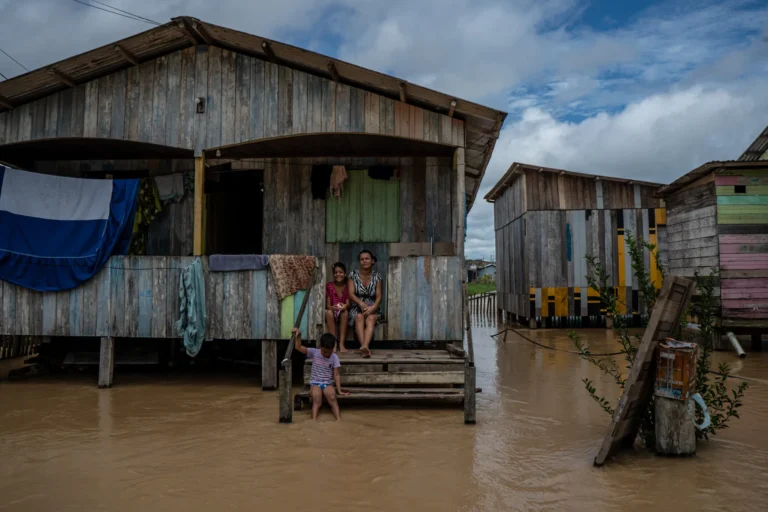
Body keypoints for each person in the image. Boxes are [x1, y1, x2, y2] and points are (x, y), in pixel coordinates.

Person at [293, 328, 349, 420]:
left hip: (328, 383)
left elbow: (336, 375)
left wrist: (339, 390)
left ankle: (339, 420)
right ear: (320, 346)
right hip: (315, 383)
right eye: (324, 352)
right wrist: (298, 336)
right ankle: (313, 420)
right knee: (317, 399)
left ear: (333, 348)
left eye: (329, 352)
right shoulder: (314, 352)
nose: (327, 354)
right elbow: (298, 347)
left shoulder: (334, 357)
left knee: (332, 398)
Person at [348, 249, 383, 358]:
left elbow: (379, 296)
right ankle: (365, 348)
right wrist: (361, 303)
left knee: (371, 318)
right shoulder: (353, 275)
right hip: (356, 306)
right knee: (359, 317)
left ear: (372, 261)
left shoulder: (377, 276)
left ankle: (364, 346)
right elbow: (351, 294)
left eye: (367, 258)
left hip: (373, 307)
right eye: (362, 259)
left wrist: (373, 308)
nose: (364, 261)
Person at [325, 262, 350, 352]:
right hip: (332, 311)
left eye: (340, 272)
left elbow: (348, 304)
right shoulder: (329, 286)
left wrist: (344, 306)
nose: (338, 274)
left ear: (345, 274)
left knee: (345, 312)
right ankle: (334, 343)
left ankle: (341, 344)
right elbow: (328, 306)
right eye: (336, 273)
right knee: (328, 312)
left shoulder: (348, 286)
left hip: (343, 311)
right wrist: (333, 308)